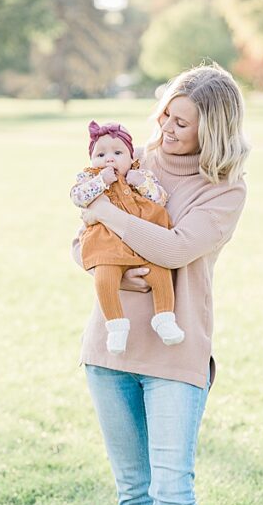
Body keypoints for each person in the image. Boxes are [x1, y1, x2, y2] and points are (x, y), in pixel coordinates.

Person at [72, 63, 250, 505]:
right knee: (132, 488)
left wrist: (109, 219)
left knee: (172, 490)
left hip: (178, 352)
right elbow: (79, 246)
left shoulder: (224, 190)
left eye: (182, 123)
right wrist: (113, 247)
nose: (166, 129)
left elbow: (175, 248)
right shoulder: (129, 158)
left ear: (213, 131)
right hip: (110, 347)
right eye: (166, 116)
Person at [71, 120, 185, 355]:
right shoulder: (89, 177)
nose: (109, 159)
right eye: (100, 154)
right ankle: (116, 326)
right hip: (107, 244)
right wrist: (101, 181)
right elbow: (78, 197)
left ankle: (164, 318)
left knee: (160, 274)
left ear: (131, 156)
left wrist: (142, 184)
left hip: (142, 242)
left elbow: (160, 199)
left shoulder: (141, 176)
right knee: (105, 278)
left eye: (117, 152)